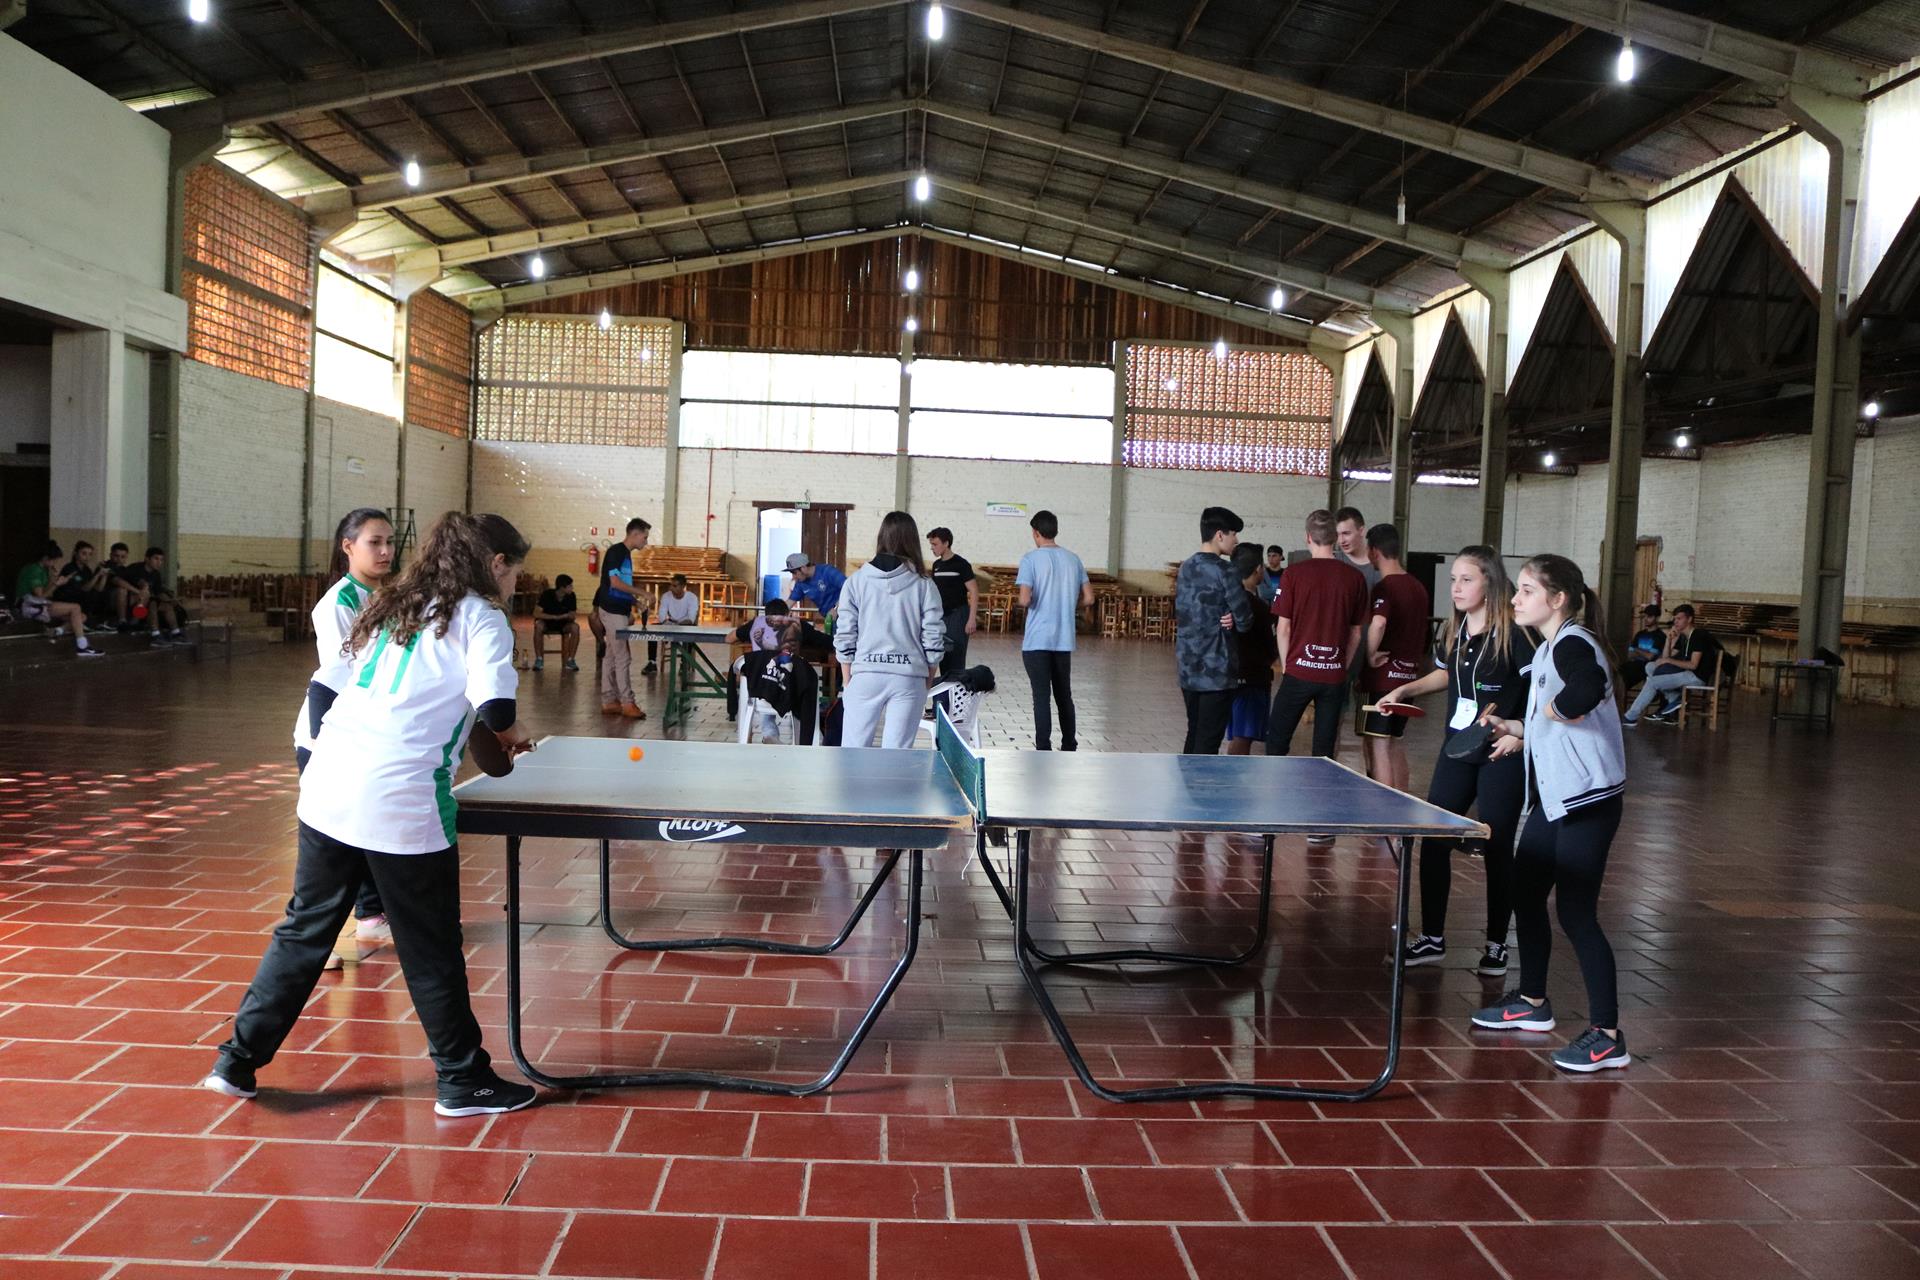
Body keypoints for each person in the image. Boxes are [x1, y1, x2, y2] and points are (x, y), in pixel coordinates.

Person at [204, 512, 540, 1114]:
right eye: (515, 570)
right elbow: (495, 707)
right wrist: (515, 734)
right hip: (402, 799)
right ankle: (463, 1080)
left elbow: (324, 688)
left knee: (304, 930)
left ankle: (236, 1062)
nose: (516, 582)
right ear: (495, 565)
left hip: (329, 784)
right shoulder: (482, 617)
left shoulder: (395, 604)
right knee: (430, 945)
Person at [1472, 553, 1630, 1074]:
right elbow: (1552, 718)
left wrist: (1555, 710)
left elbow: (1586, 689)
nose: (1515, 599)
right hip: (1555, 799)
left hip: (1588, 801)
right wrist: (1519, 730)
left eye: (1526, 591)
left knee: (1577, 914)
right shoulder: (1547, 648)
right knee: (1526, 893)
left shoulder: (1573, 643)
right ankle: (1533, 1002)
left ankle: (1608, 1036)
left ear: (1557, 599)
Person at [1375, 547, 1535, 975]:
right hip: (1458, 748)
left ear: (1490, 582)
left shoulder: (1516, 634)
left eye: (1467, 580)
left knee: (1496, 844)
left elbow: (1541, 689)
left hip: (1501, 752)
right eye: (1453, 580)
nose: (1456, 588)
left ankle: (1497, 944)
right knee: (1435, 838)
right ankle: (1432, 938)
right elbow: (1447, 673)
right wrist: (1406, 690)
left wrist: (1520, 731)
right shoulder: (1455, 629)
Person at [293, 508, 397, 967]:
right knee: (330, 847)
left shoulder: (388, 596)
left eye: (390, 542)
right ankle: (311, 945)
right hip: (329, 736)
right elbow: (343, 676)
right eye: (375, 542)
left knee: (367, 829)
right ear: (348, 546)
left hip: (368, 734)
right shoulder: (337, 603)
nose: (386, 551)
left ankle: (371, 916)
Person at [834, 511, 945, 749]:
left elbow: (845, 634)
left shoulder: (856, 581)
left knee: (852, 754)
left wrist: (847, 680)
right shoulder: (925, 585)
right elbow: (934, 636)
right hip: (909, 677)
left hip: (865, 674)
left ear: (881, 537)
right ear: (913, 540)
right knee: (897, 757)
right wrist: (928, 678)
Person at [1265, 509, 1368, 761]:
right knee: (1324, 751)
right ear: (1335, 537)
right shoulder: (1355, 578)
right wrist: (1341, 666)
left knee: (1276, 741)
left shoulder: (1293, 574)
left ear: (1308, 537)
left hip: (1298, 671)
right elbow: (1356, 632)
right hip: (1333, 676)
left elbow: (1283, 628)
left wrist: (1287, 665)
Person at [1174, 506, 1256, 755]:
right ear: (1220, 535)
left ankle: (1185, 778)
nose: (1236, 540)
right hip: (1217, 671)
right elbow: (1245, 620)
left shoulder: (1186, 567)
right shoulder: (1226, 570)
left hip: (1188, 666)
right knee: (1208, 740)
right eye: (1233, 534)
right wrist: (1234, 617)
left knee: (1194, 731)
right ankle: (1199, 781)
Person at [1359, 524, 1430, 793]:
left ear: (1374, 552)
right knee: (1395, 741)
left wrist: (1370, 654)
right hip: (1408, 679)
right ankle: (1402, 800)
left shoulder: (1385, 587)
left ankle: (1383, 805)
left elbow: (1378, 623)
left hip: (1382, 680)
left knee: (1378, 743)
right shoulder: (1418, 587)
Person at [1017, 509, 1092, 751]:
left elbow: (1025, 599)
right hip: (1063, 640)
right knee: (1063, 695)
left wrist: (1031, 601)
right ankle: (1069, 744)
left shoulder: (1030, 559)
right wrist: (1068, 605)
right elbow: (1089, 598)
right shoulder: (1073, 559)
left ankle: (1043, 747)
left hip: (1037, 640)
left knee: (1041, 696)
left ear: (1035, 532)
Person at [1624, 603, 1721, 726]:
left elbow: (1693, 665)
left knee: (1652, 682)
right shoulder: (1684, 636)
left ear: (1689, 619)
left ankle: (1630, 717)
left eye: (1679, 618)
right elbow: (1666, 658)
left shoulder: (1698, 635)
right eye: (1675, 619)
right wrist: (1668, 640)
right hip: (1686, 672)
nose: (1675, 622)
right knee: (1651, 666)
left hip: (1696, 676)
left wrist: (1668, 661)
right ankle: (1674, 698)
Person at [592, 518, 651, 719]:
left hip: (619, 609)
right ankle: (627, 702)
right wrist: (643, 593)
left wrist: (634, 602)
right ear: (634, 534)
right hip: (612, 611)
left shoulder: (625, 555)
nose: (646, 542)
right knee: (623, 657)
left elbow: (620, 587)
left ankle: (609, 700)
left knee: (611, 655)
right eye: (644, 537)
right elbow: (615, 583)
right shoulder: (616, 552)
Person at [1226, 543, 1278, 756]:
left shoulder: (1224, 600)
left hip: (1226, 678)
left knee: (1236, 734)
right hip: (1251, 680)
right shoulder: (1259, 608)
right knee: (1242, 736)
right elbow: (1272, 647)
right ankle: (1233, 774)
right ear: (1258, 569)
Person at [14, 541, 103, 658]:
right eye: (54, 560)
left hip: (39, 605)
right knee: (75, 607)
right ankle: (82, 646)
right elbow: (40, 597)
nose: (55, 563)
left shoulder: (44, 569)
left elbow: (46, 593)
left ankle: (58, 631)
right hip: (27, 606)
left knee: (82, 617)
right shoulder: (34, 570)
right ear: (46, 558)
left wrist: (54, 581)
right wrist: (57, 584)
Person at [927, 527, 978, 679]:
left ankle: (956, 689)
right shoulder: (936, 566)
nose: (932, 548)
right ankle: (944, 689)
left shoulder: (961, 564)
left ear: (946, 543)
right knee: (942, 654)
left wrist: (972, 619)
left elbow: (974, 591)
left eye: (935, 544)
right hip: (941, 616)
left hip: (958, 615)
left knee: (956, 657)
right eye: (931, 544)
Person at [645, 572, 701, 673]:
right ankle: (652, 663)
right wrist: (666, 623)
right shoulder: (666, 596)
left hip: (685, 625)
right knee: (652, 631)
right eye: (671, 585)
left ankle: (685, 663)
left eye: (675, 586)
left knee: (690, 632)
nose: (671, 588)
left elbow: (691, 618)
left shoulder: (692, 598)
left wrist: (678, 625)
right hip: (670, 624)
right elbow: (662, 615)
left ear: (683, 586)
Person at [54, 540, 113, 623]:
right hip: (67, 599)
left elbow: (98, 589)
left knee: (103, 594)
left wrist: (104, 575)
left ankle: (102, 621)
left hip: (79, 598)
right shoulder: (70, 568)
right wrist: (97, 575)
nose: (87, 557)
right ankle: (87, 620)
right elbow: (85, 589)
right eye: (84, 553)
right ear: (75, 553)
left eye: (90, 554)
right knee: (89, 595)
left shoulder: (87, 570)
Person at [533, 573, 581, 672]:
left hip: (564, 624)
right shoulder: (547, 594)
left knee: (575, 627)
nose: (572, 588)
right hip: (547, 622)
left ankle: (570, 660)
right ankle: (539, 659)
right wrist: (555, 617)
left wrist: (568, 616)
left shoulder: (571, 596)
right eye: (569, 586)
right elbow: (536, 613)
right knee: (538, 626)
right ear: (562, 588)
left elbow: (572, 614)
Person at [786, 553, 847, 623]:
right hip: (830, 618)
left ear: (803, 568)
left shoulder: (827, 571)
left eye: (794, 573)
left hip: (846, 613)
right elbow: (790, 602)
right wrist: (777, 614)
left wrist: (836, 608)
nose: (793, 577)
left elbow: (849, 589)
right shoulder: (800, 583)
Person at [1334, 507, 1382, 591]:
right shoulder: (1333, 561)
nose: (1341, 541)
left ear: (1362, 531)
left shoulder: (1381, 564)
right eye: (1337, 535)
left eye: (1346, 533)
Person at [1622, 605, 1664, 692]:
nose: (1646, 619)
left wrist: (1637, 649)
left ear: (1657, 618)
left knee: (1628, 676)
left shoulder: (1660, 636)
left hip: (1648, 666)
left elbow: (1650, 657)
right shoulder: (1639, 634)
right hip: (1634, 664)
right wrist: (1644, 653)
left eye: (1649, 616)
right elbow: (1630, 655)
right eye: (1645, 616)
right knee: (1619, 670)